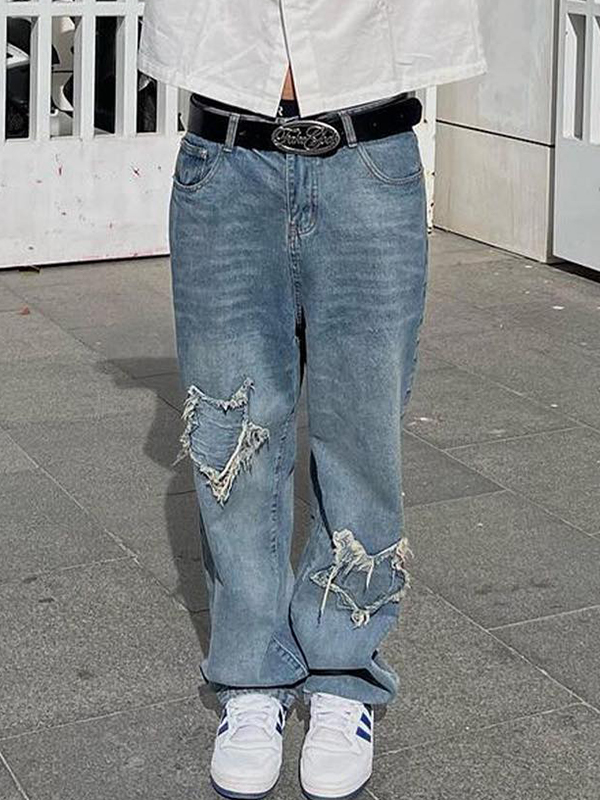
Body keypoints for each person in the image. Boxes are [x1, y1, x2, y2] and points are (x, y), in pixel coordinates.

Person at [138, 3, 487, 798]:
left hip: (369, 150)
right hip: (226, 153)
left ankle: (343, 674)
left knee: (362, 435)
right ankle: (251, 678)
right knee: (231, 436)